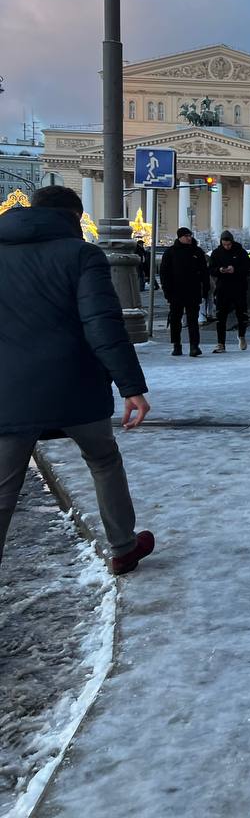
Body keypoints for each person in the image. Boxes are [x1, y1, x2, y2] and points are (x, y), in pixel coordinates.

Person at [0, 186, 154, 573]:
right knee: (103, 461)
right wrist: (131, 387)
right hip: (76, 385)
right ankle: (123, 547)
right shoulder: (82, 254)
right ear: (73, 216)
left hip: (9, 391)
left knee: (3, 490)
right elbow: (103, 325)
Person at [158, 226, 208, 357]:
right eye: (186, 236)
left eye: (190, 235)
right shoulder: (171, 252)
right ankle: (176, 345)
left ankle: (194, 346)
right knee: (175, 320)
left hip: (193, 291)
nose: (189, 238)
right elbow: (164, 273)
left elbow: (204, 272)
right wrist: (167, 290)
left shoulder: (197, 251)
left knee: (193, 320)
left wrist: (205, 289)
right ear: (180, 237)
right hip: (176, 292)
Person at [209, 230, 250, 352]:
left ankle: (241, 335)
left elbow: (247, 268)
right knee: (221, 316)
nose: (227, 246)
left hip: (239, 287)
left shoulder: (241, 252)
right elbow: (211, 269)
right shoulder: (216, 253)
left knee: (242, 315)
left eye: (228, 244)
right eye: (224, 244)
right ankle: (221, 343)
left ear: (232, 242)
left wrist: (235, 269)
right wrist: (220, 270)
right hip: (223, 288)